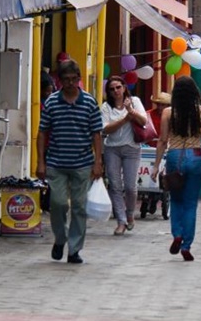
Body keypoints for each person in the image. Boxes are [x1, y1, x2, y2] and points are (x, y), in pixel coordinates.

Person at [37, 59, 104, 264]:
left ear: (79, 79)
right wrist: (41, 162)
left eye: (74, 79)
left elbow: (96, 134)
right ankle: (60, 238)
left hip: (82, 162)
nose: (70, 83)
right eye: (66, 79)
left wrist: (98, 161)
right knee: (57, 204)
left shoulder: (89, 102)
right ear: (60, 81)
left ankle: (74, 249)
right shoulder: (52, 102)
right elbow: (42, 133)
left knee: (79, 206)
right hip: (56, 161)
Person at [150, 76, 201, 261]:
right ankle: (186, 244)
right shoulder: (200, 112)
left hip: (175, 156)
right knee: (190, 204)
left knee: (176, 201)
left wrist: (156, 166)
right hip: (195, 155)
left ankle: (177, 234)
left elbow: (163, 140)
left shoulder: (168, 113)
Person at [100, 75, 149, 236]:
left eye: (118, 87)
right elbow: (105, 129)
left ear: (124, 87)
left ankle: (129, 214)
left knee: (130, 186)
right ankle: (120, 221)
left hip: (132, 148)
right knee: (115, 185)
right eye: (112, 89)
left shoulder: (134, 101)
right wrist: (124, 119)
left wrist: (130, 111)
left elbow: (143, 121)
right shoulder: (106, 107)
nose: (116, 91)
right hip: (112, 148)